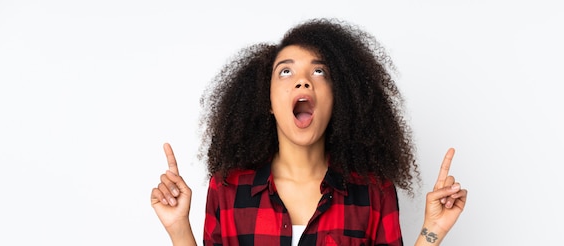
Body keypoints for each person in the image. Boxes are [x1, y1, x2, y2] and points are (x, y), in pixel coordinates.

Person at [151, 18, 467, 246]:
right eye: (285, 71)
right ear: (268, 101)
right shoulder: (228, 187)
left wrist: (432, 231)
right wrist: (179, 228)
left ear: (337, 97)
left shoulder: (374, 190)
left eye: (319, 71)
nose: (303, 81)